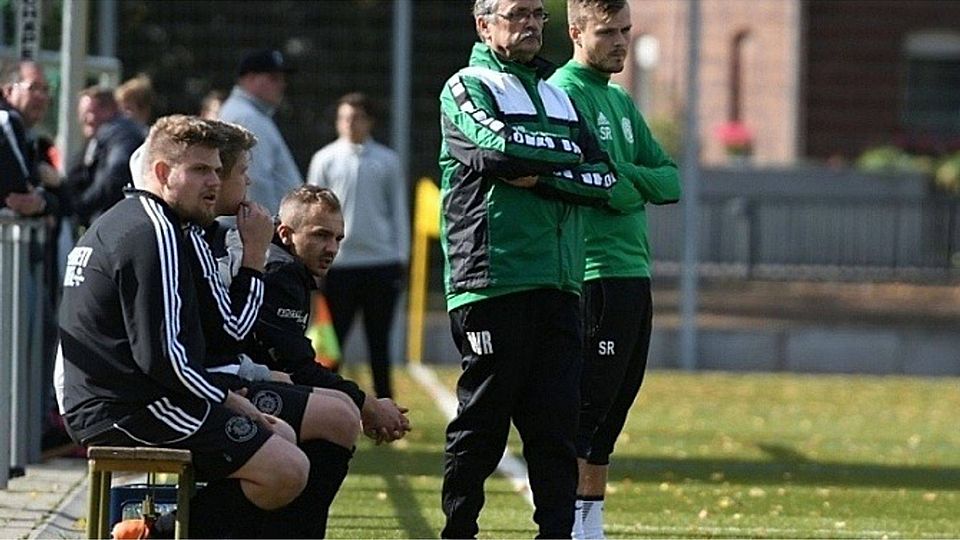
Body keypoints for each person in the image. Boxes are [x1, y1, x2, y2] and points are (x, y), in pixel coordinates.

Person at [57, 114, 309, 538]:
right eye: (199, 170)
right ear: (161, 172)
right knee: (286, 469)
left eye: (216, 170)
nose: (213, 181)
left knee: (282, 437)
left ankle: (158, 529)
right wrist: (229, 399)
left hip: (123, 396)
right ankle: (155, 534)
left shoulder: (147, 221)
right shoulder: (154, 233)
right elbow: (165, 358)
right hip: (124, 406)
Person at [437, 1, 618, 537]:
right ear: (483, 23)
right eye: (518, 13)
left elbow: (603, 178)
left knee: (556, 427)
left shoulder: (558, 94)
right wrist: (562, 159)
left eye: (538, 13)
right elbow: (496, 151)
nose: (532, 24)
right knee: (483, 421)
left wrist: (539, 175)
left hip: (561, 282)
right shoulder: (466, 85)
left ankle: (557, 533)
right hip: (492, 279)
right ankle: (459, 532)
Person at [548, 1, 682, 537]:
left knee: (613, 408)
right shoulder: (562, 95)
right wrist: (623, 182)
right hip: (594, 274)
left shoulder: (621, 100)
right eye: (608, 32)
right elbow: (595, 183)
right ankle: (566, 524)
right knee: (586, 408)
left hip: (633, 274)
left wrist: (621, 171)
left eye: (626, 30)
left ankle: (591, 524)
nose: (621, 42)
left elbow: (667, 182)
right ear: (577, 32)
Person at [306, 92, 410, 399]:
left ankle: (385, 407)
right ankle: (327, 404)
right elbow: (312, 213)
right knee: (330, 344)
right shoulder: (324, 159)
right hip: (338, 266)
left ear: (369, 121)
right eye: (345, 117)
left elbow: (398, 212)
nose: (350, 123)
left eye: (356, 117)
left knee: (379, 343)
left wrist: (401, 256)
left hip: (381, 263)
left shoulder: (387, 161)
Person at [219, 48, 303, 214]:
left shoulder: (249, 113)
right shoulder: (248, 117)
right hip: (266, 227)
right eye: (273, 78)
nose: (282, 84)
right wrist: (269, 229)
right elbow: (256, 180)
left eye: (282, 78)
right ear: (249, 78)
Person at [62, 86, 145, 232]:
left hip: (114, 223)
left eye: (90, 112)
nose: (86, 119)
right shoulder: (108, 136)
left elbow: (115, 173)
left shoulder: (119, 134)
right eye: (82, 114)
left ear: (110, 110)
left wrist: (81, 205)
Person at [0, 59, 58, 216]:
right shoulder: (6, 121)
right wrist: (42, 201)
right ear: (8, 91)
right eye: (33, 88)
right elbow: (22, 187)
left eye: (45, 89)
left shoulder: (33, 138)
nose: (41, 96)